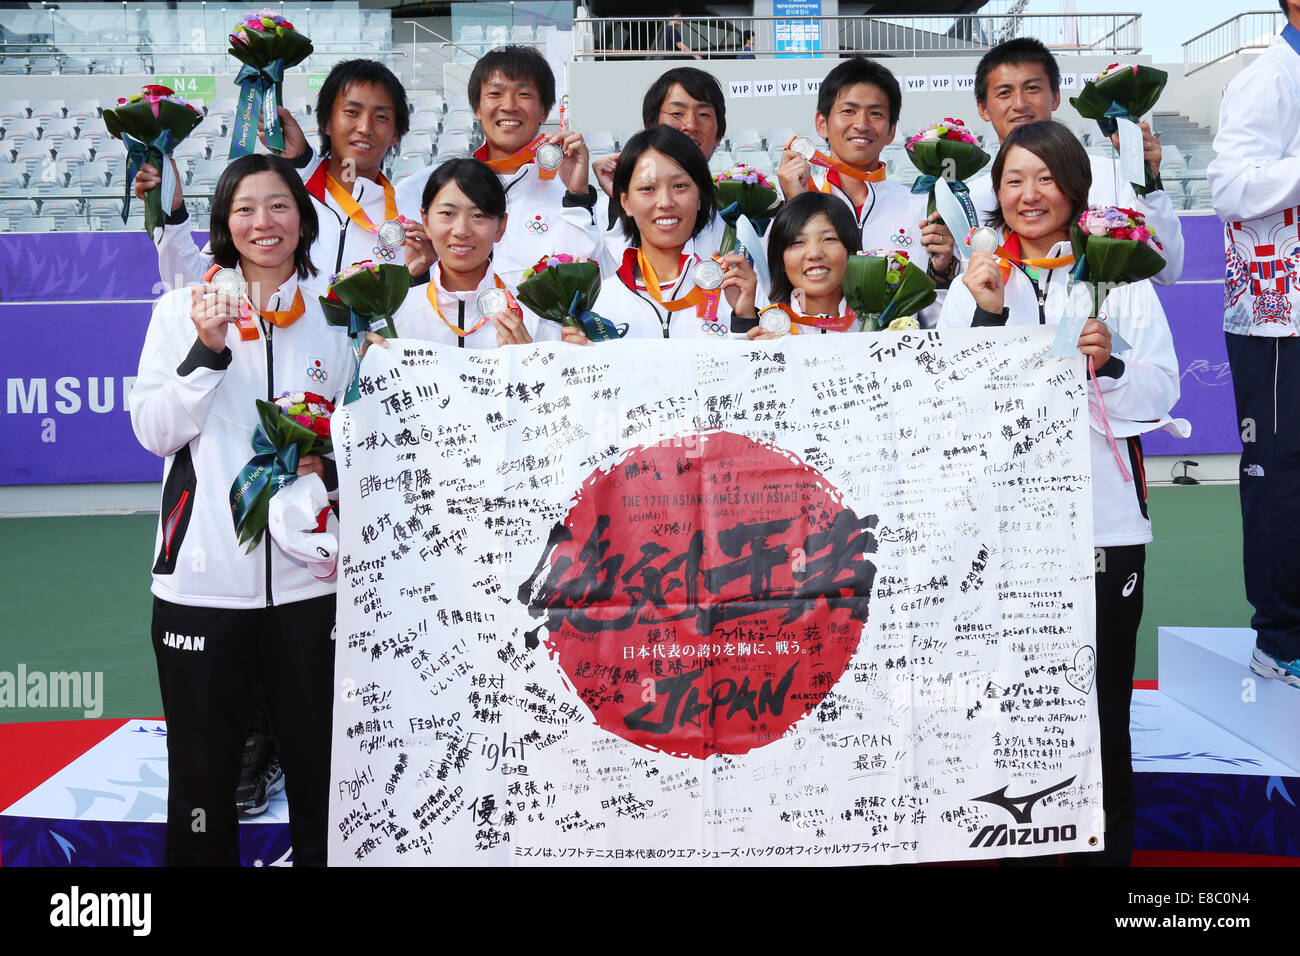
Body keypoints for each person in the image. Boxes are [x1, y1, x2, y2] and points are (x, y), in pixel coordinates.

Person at [939, 120, 1181, 866]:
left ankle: (1111, 859)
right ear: (996, 193)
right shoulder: (976, 279)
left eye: (1044, 178)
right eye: (1013, 180)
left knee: (1105, 708)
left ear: (1074, 187)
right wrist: (983, 313)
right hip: (1005, 538)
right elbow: (949, 405)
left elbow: (1162, 394)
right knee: (1009, 708)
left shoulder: (1122, 277)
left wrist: (1107, 368)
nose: (1028, 193)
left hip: (1105, 532)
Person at [128, 154, 353, 866]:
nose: (265, 222)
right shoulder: (177, 311)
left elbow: (369, 437)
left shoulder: (337, 317)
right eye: (246, 208)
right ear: (225, 223)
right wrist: (208, 347)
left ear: (302, 218)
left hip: (312, 590)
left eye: (280, 205)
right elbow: (154, 432)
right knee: (201, 787)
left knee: (327, 783)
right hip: (201, 586)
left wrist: (331, 462)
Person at [137, 59, 429, 295]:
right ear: (326, 122)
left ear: (396, 134)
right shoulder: (276, 203)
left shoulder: (413, 221)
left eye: (381, 117)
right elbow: (193, 284)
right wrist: (173, 215)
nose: (365, 127)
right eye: (351, 112)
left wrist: (420, 276)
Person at [1208, 0, 1300, 690]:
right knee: (1282, 477)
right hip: (1278, 314)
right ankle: (1282, 641)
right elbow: (1230, 189)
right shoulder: (1267, 79)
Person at [969, 37, 1184, 286]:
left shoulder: (1113, 175)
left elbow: (1165, 271)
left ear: (1056, 97)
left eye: (1032, 88)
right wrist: (939, 266)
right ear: (983, 108)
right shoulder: (972, 197)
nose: (1019, 104)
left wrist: (1148, 184)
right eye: (1005, 92)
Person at [396, 45, 600, 287]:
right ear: (477, 109)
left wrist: (576, 197)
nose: (509, 105)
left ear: (544, 110)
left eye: (523, 94)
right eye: (495, 94)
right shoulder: (423, 187)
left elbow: (586, 280)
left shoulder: (573, 194)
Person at [775, 56, 955, 325]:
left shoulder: (918, 210)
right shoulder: (791, 200)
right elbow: (774, 298)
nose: (861, 124)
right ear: (821, 123)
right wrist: (796, 207)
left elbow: (935, 320)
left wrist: (942, 272)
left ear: (891, 131)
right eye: (848, 111)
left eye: (876, 113)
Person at [568, 125, 756, 343]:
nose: (665, 202)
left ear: (700, 198)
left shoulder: (735, 288)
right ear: (625, 202)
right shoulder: (597, 305)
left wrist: (745, 321)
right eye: (648, 188)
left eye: (680, 185)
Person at [378, 159, 550, 348]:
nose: (461, 230)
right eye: (447, 213)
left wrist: (529, 364)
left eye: (478, 216)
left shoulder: (535, 316)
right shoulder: (395, 316)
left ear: (501, 226)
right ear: (426, 222)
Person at [593, 66, 729, 256]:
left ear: (719, 134)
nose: (690, 125)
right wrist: (623, 201)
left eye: (704, 114)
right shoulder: (607, 210)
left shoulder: (742, 208)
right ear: (651, 127)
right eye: (677, 114)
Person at [746, 191, 862, 339]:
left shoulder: (883, 326)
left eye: (829, 239)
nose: (814, 253)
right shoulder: (768, 331)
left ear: (851, 250)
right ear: (780, 260)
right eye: (798, 242)